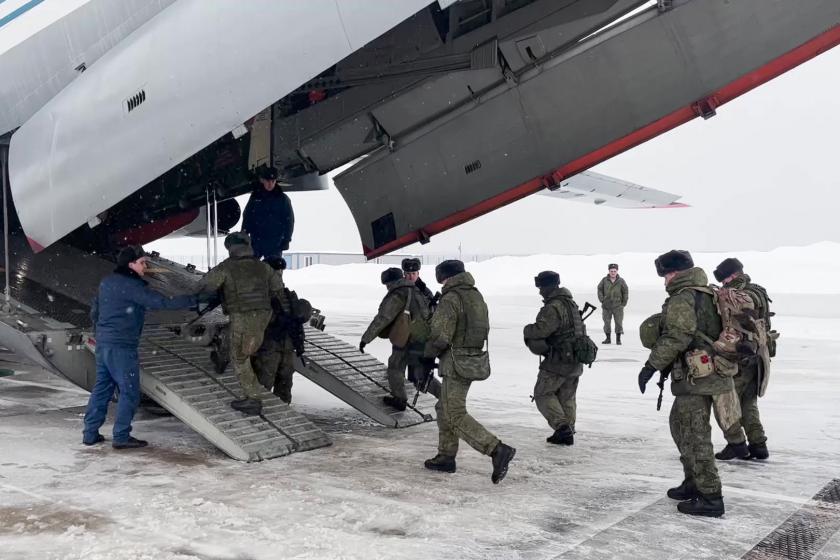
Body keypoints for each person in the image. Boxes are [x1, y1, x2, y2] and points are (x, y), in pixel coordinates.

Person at [638, 250, 730, 517]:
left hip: (697, 377)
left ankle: (711, 497)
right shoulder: (707, 291)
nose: (664, 280)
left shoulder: (683, 296)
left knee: (694, 435)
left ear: (674, 273)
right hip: (707, 373)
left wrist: (650, 366)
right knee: (680, 426)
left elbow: (676, 336)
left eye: (665, 274)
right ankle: (693, 482)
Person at [82, 246, 196, 449]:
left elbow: (95, 312)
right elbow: (160, 302)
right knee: (129, 391)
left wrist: (103, 331)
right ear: (131, 264)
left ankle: (90, 433)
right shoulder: (131, 286)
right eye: (142, 262)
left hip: (105, 343)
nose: (146, 266)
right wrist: (194, 299)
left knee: (102, 389)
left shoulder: (107, 282)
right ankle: (121, 436)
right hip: (122, 347)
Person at [422, 260, 516, 484]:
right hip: (472, 360)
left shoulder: (451, 298)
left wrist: (426, 354)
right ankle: (446, 456)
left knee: (454, 413)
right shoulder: (475, 295)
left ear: (443, 276)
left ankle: (496, 449)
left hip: (455, 363)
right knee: (443, 406)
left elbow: (441, 336)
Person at [195, 232, 288, 416]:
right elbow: (278, 288)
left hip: (242, 315)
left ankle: (252, 398)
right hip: (263, 315)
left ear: (230, 247)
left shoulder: (227, 267)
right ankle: (247, 382)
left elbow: (205, 285)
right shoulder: (263, 267)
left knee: (239, 356)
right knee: (247, 349)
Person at [712, 258, 773, 461]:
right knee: (749, 403)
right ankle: (759, 445)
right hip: (760, 356)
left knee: (728, 402)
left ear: (732, 276)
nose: (723, 284)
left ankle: (735, 445)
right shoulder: (759, 291)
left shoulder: (736, 294)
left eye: (724, 280)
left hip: (741, 356)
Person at [359, 266, 433, 410]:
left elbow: (384, 317)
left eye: (387, 284)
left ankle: (399, 399)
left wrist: (366, 339)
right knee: (420, 372)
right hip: (423, 337)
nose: (387, 288)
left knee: (395, 366)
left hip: (408, 337)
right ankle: (443, 396)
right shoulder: (418, 290)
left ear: (390, 282)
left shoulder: (398, 293)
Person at [523, 271, 583, 445]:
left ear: (549, 286)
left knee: (542, 393)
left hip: (558, 360)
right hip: (575, 359)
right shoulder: (570, 303)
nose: (540, 291)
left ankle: (562, 428)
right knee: (567, 397)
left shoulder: (554, 306)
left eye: (541, 287)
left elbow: (541, 330)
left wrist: (527, 330)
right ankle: (568, 430)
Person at [253, 257, 298, 404]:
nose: (279, 274)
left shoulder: (287, 294)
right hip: (273, 345)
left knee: (280, 383)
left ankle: (276, 411)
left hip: (279, 346)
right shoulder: (264, 294)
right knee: (268, 382)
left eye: (280, 272)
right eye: (276, 272)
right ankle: (261, 410)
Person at [400, 257, 440, 398]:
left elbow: (434, 313)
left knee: (421, 375)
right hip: (408, 338)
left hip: (422, 340)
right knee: (412, 374)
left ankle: (443, 397)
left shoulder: (425, 291)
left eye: (414, 274)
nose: (411, 276)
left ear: (418, 274)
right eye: (408, 274)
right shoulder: (401, 289)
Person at [241, 165, 294, 260]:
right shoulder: (255, 197)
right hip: (256, 240)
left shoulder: (283, 199)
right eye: (268, 181)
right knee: (251, 269)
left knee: (273, 271)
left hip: (275, 242)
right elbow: (248, 215)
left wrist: (287, 239)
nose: (270, 184)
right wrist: (244, 232)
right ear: (262, 181)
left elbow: (289, 220)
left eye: (273, 181)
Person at [597, 263, 628, 345]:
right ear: (609, 271)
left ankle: (618, 339)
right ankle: (608, 339)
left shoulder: (621, 281)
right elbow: (599, 289)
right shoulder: (604, 280)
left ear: (617, 271)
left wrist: (624, 303)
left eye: (614, 271)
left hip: (618, 306)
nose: (613, 273)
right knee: (606, 322)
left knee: (618, 322)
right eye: (611, 271)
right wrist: (602, 299)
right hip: (606, 306)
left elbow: (625, 292)